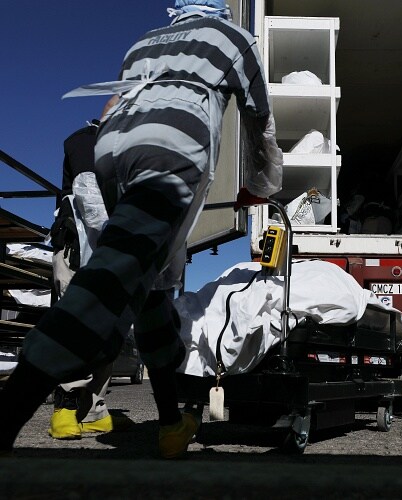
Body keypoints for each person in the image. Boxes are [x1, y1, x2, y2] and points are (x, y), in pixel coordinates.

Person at [0, 0, 282, 459]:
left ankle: (172, 424)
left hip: (113, 150)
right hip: (172, 149)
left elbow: (115, 104)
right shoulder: (235, 39)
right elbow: (260, 124)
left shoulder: (145, 41)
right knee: (110, 280)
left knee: (149, 286)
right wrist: (260, 186)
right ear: (218, 12)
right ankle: (7, 417)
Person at [47, 96, 133, 440]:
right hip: (79, 252)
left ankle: (95, 409)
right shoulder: (85, 142)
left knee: (108, 334)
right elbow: (90, 199)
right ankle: (65, 408)